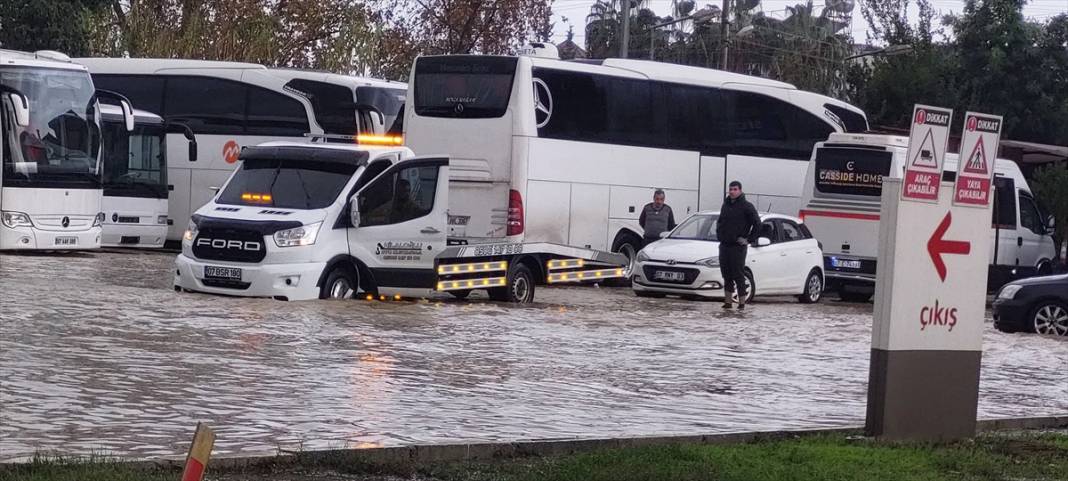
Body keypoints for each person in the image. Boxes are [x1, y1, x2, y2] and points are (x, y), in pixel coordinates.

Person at [716, 181, 760, 309]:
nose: (732, 192)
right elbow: (720, 222)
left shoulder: (747, 206)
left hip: (738, 247)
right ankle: (728, 302)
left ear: (740, 190)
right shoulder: (725, 205)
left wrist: (749, 239)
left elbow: (757, 224)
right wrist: (720, 234)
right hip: (724, 245)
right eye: (730, 189)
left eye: (735, 189)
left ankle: (741, 303)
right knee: (726, 274)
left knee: (738, 274)